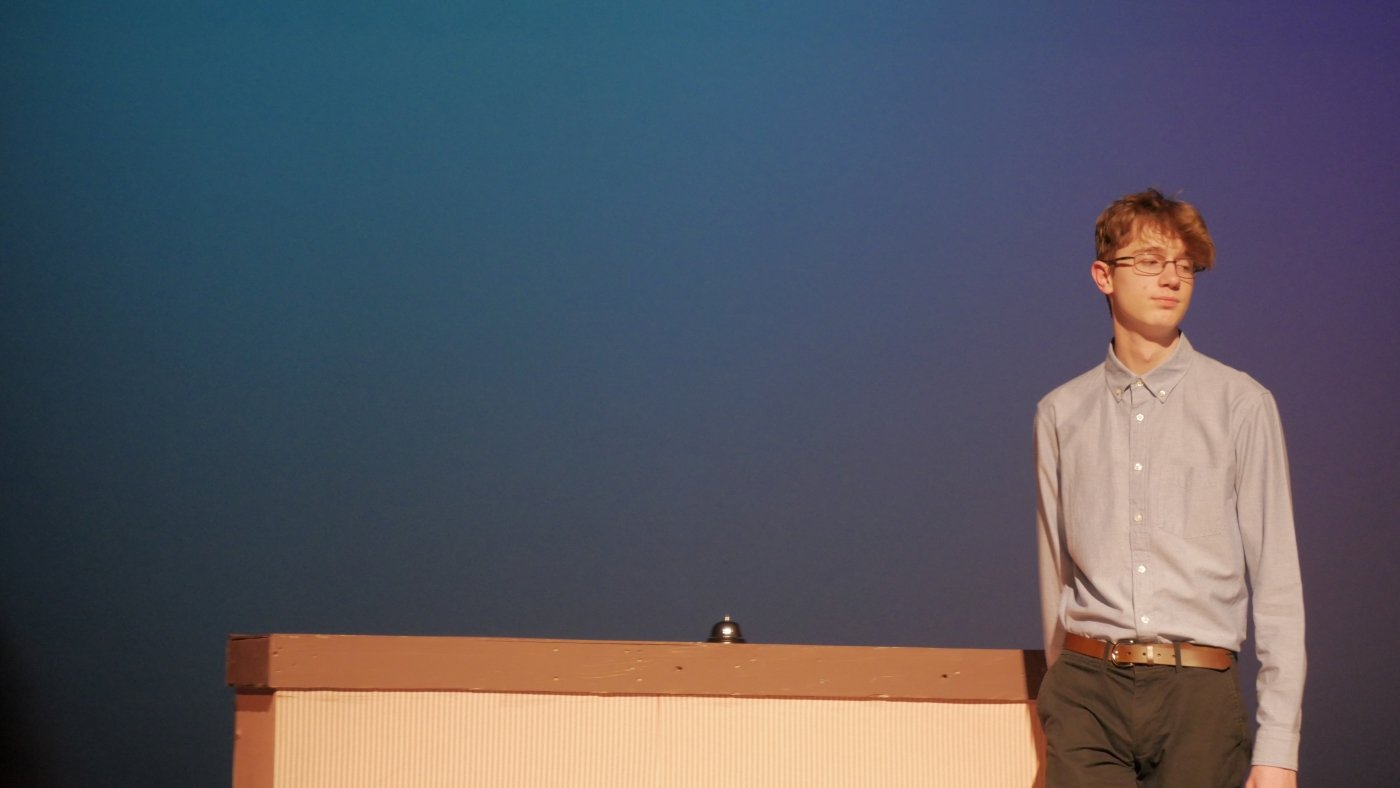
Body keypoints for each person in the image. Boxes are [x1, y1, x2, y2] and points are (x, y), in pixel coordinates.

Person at [1034, 188, 1305, 787]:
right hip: (1085, 692)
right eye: (1150, 261)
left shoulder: (1242, 404)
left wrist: (1278, 748)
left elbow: (1278, 582)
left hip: (1198, 696)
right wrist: (1058, 703)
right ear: (1104, 275)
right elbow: (1055, 570)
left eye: (1185, 265)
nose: (1172, 278)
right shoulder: (1060, 412)